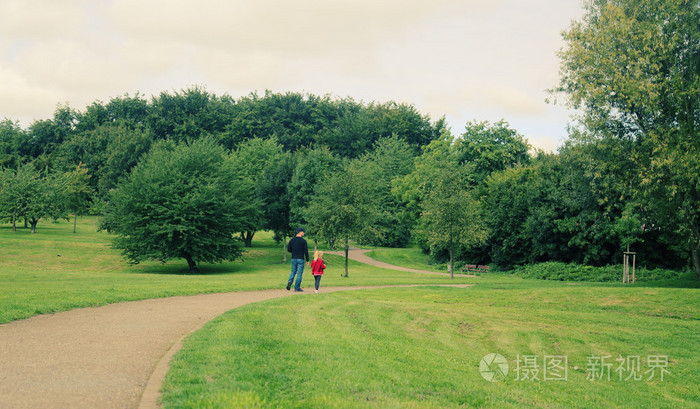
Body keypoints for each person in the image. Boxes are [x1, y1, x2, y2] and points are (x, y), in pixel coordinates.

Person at [286, 227, 309, 292]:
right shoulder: (303, 241)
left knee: (293, 271)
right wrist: (307, 260)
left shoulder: (291, 240)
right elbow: (306, 251)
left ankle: (290, 281)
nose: (304, 233)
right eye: (303, 232)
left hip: (293, 258)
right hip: (300, 259)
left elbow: (289, 249)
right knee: (299, 273)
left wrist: (294, 251)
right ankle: (297, 288)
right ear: (300, 232)